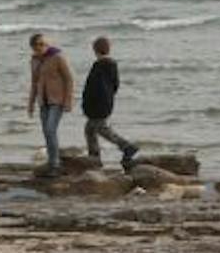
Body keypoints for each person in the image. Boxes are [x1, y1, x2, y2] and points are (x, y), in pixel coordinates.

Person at [80, 35, 138, 170]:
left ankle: (127, 146)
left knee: (101, 129)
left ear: (95, 50)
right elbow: (115, 85)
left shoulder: (100, 66)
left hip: (98, 105)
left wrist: (88, 104)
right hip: (105, 103)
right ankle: (94, 157)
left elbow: (93, 88)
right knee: (90, 129)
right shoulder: (111, 66)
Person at [26, 32, 74, 177]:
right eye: (38, 45)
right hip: (43, 101)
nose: (42, 47)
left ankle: (55, 164)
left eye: (43, 43)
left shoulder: (58, 57)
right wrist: (31, 104)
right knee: (47, 132)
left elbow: (69, 79)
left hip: (57, 100)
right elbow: (34, 83)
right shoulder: (34, 61)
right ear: (33, 47)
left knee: (50, 129)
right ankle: (53, 162)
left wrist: (68, 101)